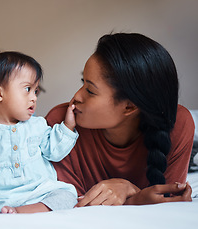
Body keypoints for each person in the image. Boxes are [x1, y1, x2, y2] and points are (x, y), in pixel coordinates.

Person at [46, 33, 194, 206]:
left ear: (130, 106)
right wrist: (134, 198)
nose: (77, 96)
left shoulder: (178, 123)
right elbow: (69, 205)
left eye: (91, 91)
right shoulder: (61, 128)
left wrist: (129, 193)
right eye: (83, 83)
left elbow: (168, 202)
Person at [0, 51, 78, 214]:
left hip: (39, 194)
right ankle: (6, 212)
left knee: (67, 194)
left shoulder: (37, 125)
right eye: (27, 89)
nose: (34, 97)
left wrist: (68, 125)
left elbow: (54, 151)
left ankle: (22, 211)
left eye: (36, 91)